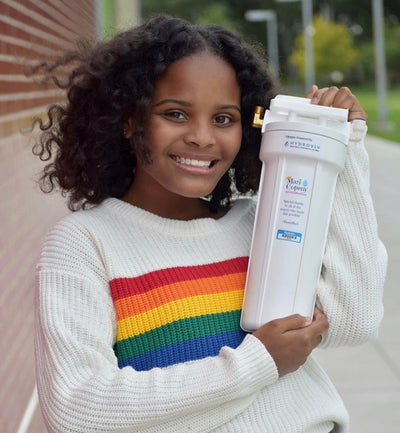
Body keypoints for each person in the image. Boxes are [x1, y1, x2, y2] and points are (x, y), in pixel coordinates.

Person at [33, 15, 387, 433]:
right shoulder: (86, 244)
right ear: (129, 120)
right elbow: (76, 410)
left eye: (223, 119)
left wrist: (343, 152)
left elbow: (355, 320)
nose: (202, 137)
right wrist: (256, 364)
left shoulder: (261, 223)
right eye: (176, 114)